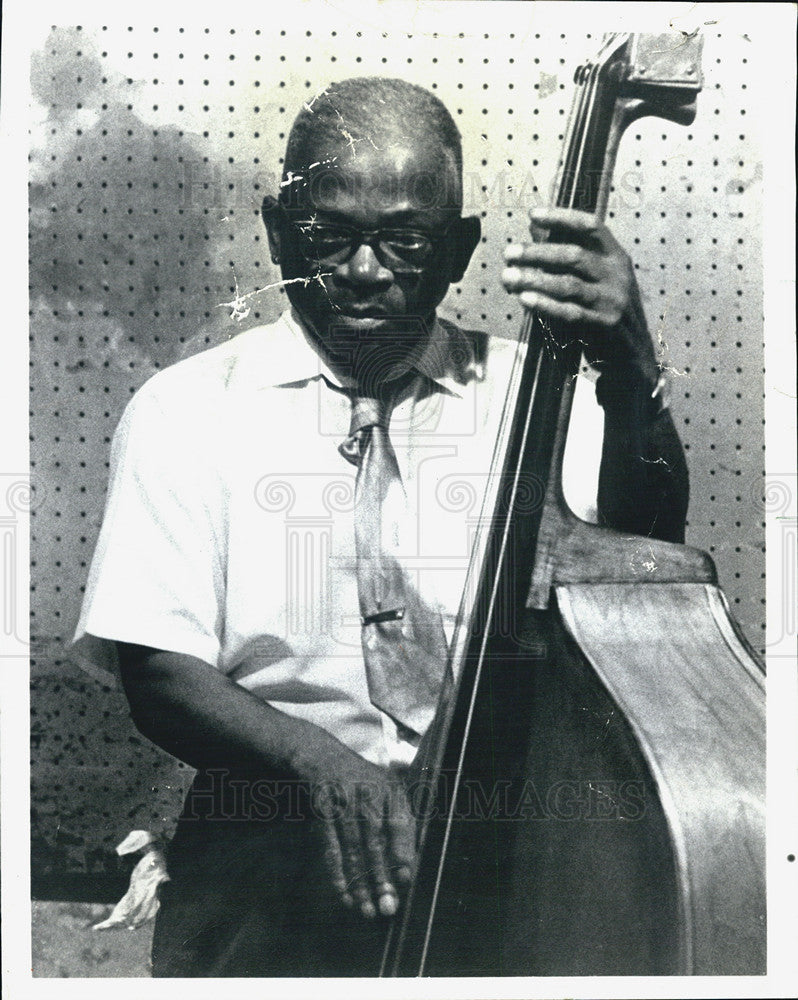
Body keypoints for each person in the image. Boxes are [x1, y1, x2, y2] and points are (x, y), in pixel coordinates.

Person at [73, 77, 688, 977]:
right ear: (279, 231)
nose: (366, 272)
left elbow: (649, 558)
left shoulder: (545, 397)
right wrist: (321, 763)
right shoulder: (184, 410)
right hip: (268, 838)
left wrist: (632, 368)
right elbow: (158, 671)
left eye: (405, 239)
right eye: (330, 236)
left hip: (510, 846)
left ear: (461, 250)